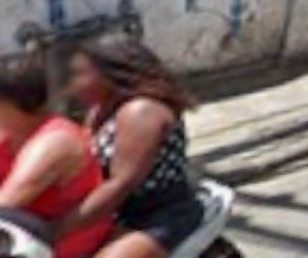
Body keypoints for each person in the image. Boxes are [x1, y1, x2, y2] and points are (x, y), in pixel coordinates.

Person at [57, 35, 201, 258]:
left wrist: (56, 229)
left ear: (111, 73)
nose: (74, 86)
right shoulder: (100, 109)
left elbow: (120, 185)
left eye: (81, 74)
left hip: (155, 215)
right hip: (112, 212)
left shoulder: (141, 111)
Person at [0, 55, 110, 258]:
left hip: (58, 246)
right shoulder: (11, 133)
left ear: (9, 102)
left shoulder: (53, 143)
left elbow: (5, 203)